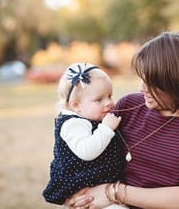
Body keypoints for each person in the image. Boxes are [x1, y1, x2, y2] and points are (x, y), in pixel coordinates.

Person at [65, 31, 179, 209]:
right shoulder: (129, 106)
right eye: (141, 79)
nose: (141, 88)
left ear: (175, 83)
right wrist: (76, 194)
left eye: (150, 82)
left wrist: (113, 192)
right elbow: (83, 151)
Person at [42, 63, 127, 208]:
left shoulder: (91, 117)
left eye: (110, 96)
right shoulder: (73, 124)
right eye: (99, 99)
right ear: (76, 106)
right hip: (83, 189)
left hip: (99, 185)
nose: (109, 103)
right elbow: (87, 151)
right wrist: (106, 129)